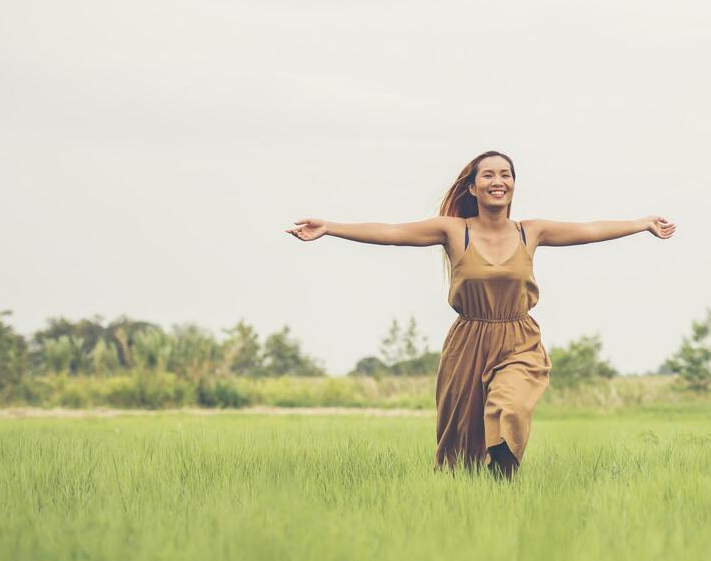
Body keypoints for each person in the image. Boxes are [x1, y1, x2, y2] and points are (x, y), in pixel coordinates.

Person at [285, 149, 675, 479]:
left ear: (513, 185)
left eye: (505, 174)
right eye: (488, 174)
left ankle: (504, 475)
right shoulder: (454, 230)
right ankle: (473, 494)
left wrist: (641, 224)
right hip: (468, 341)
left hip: (519, 339)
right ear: (472, 187)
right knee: (460, 439)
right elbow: (390, 232)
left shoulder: (531, 231)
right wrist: (330, 228)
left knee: (509, 405)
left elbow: (589, 229)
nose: (498, 180)